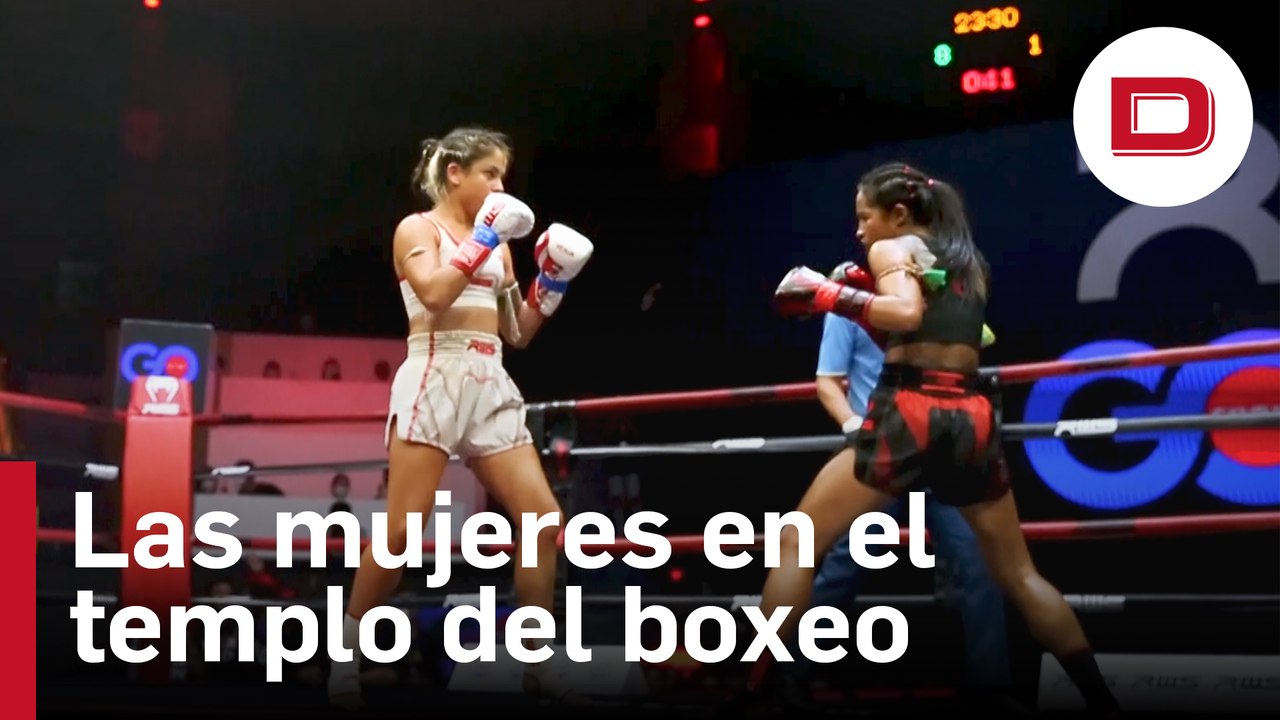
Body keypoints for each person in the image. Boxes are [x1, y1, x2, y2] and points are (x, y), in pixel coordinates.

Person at [750, 163, 1119, 715]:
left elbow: (905, 311)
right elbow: (951, 336)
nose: (860, 231)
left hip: (911, 409)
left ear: (898, 214)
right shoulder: (970, 265)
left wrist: (826, 293)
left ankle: (766, 691)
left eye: (865, 217)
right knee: (1019, 574)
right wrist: (863, 300)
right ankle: (1101, 700)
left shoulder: (892, 249)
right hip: (970, 413)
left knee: (796, 543)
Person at [328, 126, 595, 708]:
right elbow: (432, 294)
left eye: (503, 175)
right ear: (455, 173)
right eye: (489, 173)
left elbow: (517, 332)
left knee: (544, 521)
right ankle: (343, 661)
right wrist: (481, 236)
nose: (500, 185)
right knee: (400, 535)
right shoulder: (417, 230)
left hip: (490, 376)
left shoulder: (498, 244)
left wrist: (550, 284)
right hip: (434, 373)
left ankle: (537, 663)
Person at [775, 281, 1011, 710]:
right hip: (884, 455)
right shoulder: (846, 302)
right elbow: (827, 382)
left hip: (942, 451)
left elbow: (979, 344)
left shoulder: (939, 298)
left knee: (980, 565)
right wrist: (852, 427)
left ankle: (991, 691)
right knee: (840, 573)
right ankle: (790, 677)